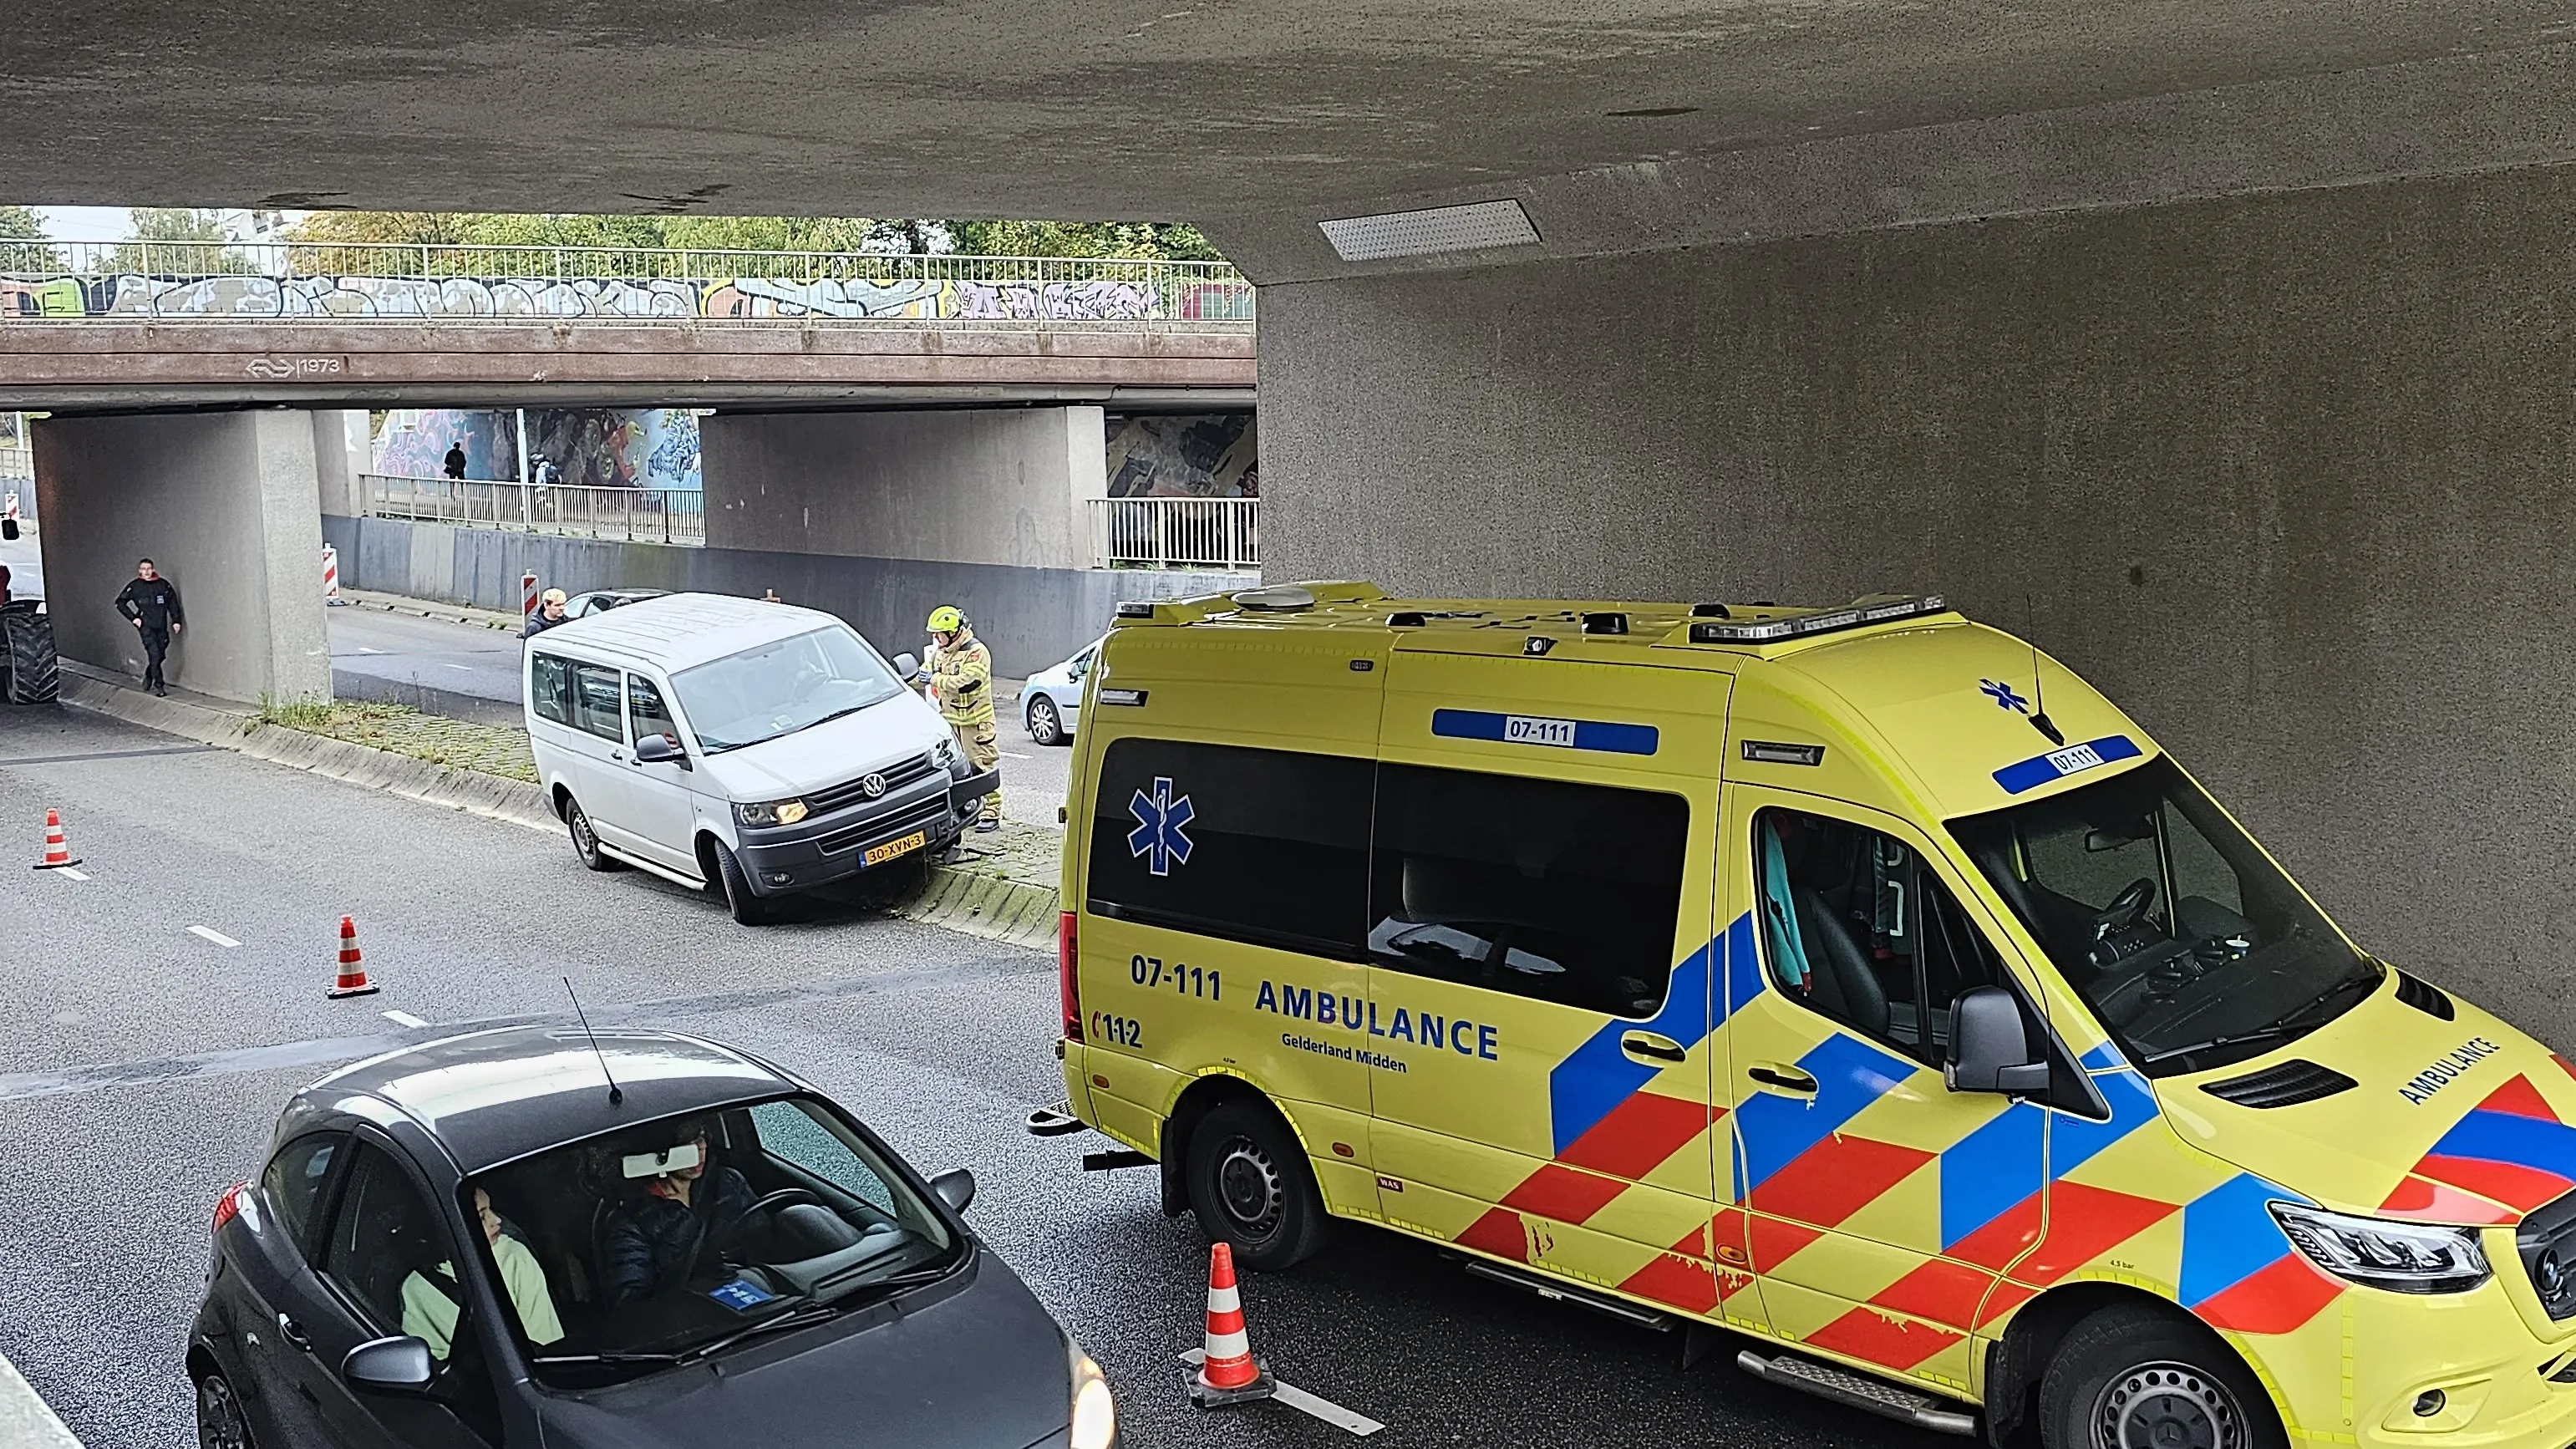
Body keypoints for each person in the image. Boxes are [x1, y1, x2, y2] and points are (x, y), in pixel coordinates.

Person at [598, 1116, 760, 1307]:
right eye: (686, 1145)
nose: (700, 1149)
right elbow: (633, 1306)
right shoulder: (631, 1222)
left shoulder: (728, 1183)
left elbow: (767, 1242)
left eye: (702, 1138)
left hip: (760, 1298)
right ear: (659, 1153)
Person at [401, 1187, 565, 1359]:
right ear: (447, 1227)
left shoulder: (514, 1256)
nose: (496, 1220)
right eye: (481, 1217)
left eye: (491, 1210)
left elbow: (544, 1344)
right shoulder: (415, 1288)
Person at [926, 606, 1002, 832]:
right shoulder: (942, 651)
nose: (936, 638)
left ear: (953, 632)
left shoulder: (976, 652)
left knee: (981, 765)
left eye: (939, 633)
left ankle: (992, 811)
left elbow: (968, 682)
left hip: (975, 722)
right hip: (950, 722)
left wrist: (935, 679)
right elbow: (927, 671)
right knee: (955, 769)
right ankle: (966, 809)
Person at [114, 559, 183, 696]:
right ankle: (159, 686)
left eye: (148, 569)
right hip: (146, 626)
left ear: (153, 570)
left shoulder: (163, 585)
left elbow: (173, 604)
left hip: (161, 625)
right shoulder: (135, 586)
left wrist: (176, 621)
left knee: (160, 655)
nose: (146, 572)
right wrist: (134, 618)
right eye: (143, 569)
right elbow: (120, 603)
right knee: (155, 654)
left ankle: (149, 674)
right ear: (139, 571)